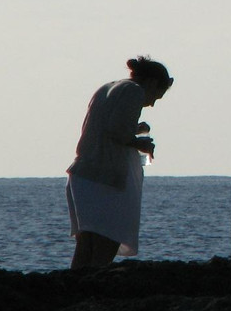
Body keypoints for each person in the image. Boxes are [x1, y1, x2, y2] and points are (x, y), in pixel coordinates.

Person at [66, 56, 174, 269]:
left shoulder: (109, 87)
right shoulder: (134, 91)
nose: (151, 103)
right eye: (156, 96)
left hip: (83, 176)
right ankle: (92, 296)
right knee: (106, 245)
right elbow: (115, 132)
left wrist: (134, 130)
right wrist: (140, 143)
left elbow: (104, 129)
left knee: (86, 246)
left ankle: (74, 293)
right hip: (103, 179)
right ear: (152, 83)